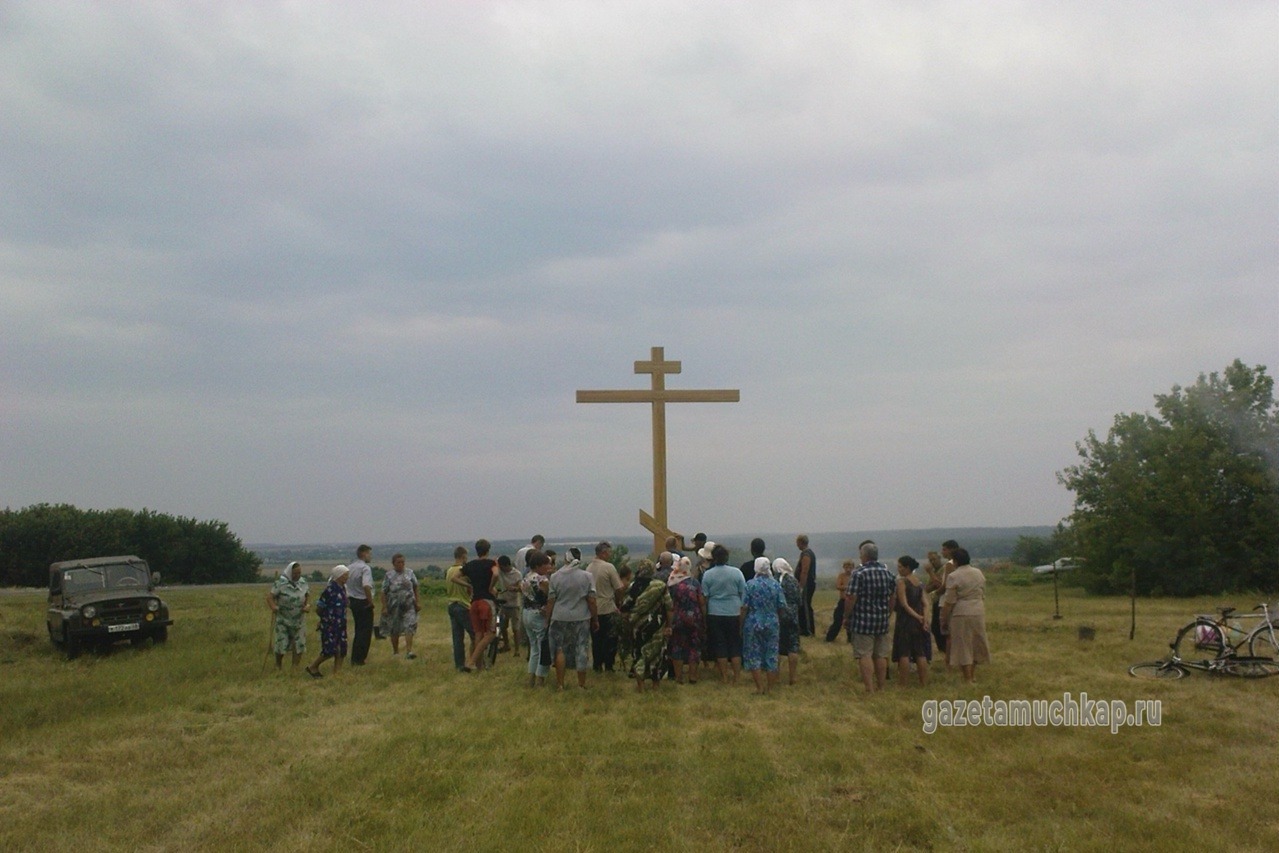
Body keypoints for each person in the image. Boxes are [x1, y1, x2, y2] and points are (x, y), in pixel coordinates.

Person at [846, 541, 896, 693]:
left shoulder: (859, 573)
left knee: (864, 654)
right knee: (881, 654)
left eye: (861, 554)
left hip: (863, 620)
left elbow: (851, 597)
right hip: (881, 620)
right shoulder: (887, 573)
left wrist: (846, 616)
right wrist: (888, 612)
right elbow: (893, 595)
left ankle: (869, 688)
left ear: (865, 556)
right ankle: (881, 686)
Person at [545, 548, 599, 690]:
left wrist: (547, 619)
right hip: (581, 617)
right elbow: (591, 600)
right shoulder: (587, 576)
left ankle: (560, 684)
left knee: (560, 649)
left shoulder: (555, 577)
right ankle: (581, 684)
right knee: (581, 648)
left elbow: (551, 600)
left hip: (560, 617)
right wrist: (595, 619)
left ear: (565, 559)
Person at [620, 559, 673, 693]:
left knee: (639, 653)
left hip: (638, 626)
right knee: (657, 655)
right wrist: (669, 625)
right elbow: (669, 607)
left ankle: (641, 686)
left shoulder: (633, 586)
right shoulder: (660, 586)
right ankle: (656, 686)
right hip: (657, 624)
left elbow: (625, 607)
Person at [940, 548, 990, 683]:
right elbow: (982, 591)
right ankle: (972, 675)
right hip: (978, 610)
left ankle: (967, 677)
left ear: (955, 561)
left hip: (961, 612)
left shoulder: (954, 576)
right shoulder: (978, 572)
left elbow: (949, 601)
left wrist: (943, 618)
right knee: (975, 643)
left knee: (963, 645)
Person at [701, 543, 746, 684]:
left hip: (715, 612)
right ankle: (737, 677)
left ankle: (724, 677)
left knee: (720, 645)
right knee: (734, 644)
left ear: (713, 558)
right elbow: (743, 593)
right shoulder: (737, 572)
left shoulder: (708, 575)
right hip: (733, 611)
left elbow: (705, 597)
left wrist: (704, 615)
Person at [742, 557, 785, 695]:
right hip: (772, 621)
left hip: (753, 621)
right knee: (771, 654)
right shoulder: (776, 585)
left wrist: (741, 623)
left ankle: (759, 687)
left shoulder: (750, 584)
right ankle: (770, 688)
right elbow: (782, 606)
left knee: (754, 654)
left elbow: (744, 606)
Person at [585, 541, 625, 673]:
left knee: (596, 639)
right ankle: (608, 664)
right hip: (607, 607)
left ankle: (597, 664)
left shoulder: (588, 568)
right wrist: (619, 602)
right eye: (609, 552)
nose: (610, 555)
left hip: (592, 609)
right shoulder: (609, 567)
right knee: (610, 638)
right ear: (603, 553)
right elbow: (619, 588)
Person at [892, 556, 930, 686]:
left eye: (900, 567)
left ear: (907, 568)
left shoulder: (902, 582)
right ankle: (923, 682)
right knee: (920, 652)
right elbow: (926, 603)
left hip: (906, 621)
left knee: (904, 653)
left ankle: (903, 683)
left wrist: (917, 616)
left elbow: (904, 604)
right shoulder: (919, 583)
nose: (899, 570)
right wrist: (924, 619)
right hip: (918, 621)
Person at [462, 539, 499, 671]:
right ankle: (471, 661)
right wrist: (491, 587)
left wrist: (469, 585)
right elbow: (496, 573)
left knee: (478, 633)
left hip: (474, 602)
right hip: (486, 601)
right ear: (488, 550)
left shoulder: (470, 565)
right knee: (490, 634)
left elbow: (454, 577)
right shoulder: (491, 563)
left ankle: (479, 666)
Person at [666, 556, 703, 684]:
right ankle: (693, 676)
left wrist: (668, 623)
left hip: (678, 618)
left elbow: (669, 604)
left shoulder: (672, 582)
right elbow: (701, 601)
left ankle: (678, 677)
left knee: (677, 646)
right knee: (694, 646)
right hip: (694, 618)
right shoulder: (695, 583)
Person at [307, 565, 349, 677]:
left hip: (341, 623)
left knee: (341, 648)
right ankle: (313, 666)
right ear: (338, 576)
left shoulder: (344, 589)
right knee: (329, 649)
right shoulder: (329, 590)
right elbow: (319, 608)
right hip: (330, 624)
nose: (347, 577)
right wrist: (324, 619)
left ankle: (337, 672)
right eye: (344, 575)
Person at [520, 550, 554, 687]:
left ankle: (531, 678)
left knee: (534, 648)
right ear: (539, 565)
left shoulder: (526, 578)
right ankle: (541, 679)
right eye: (547, 565)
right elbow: (549, 597)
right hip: (538, 615)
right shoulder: (542, 580)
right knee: (543, 648)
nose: (549, 567)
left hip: (527, 613)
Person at [267, 561, 309, 671]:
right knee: (281, 643)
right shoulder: (281, 583)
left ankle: (295, 667)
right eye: (295, 573)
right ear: (290, 572)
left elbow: (307, 595)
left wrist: (307, 606)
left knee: (299, 643)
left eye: (299, 573)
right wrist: (273, 607)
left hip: (299, 619)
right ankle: (278, 665)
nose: (297, 575)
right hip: (283, 619)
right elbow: (270, 597)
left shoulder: (303, 582)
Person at [380, 553, 420, 659]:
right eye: (399, 562)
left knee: (409, 626)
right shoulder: (388, 575)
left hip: (409, 604)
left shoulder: (410, 573)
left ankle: (409, 651)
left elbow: (415, 587)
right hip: (394, 605)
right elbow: (383, 591)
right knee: (394, 628)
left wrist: (417, 602)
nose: (401, 564)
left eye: (403, 562)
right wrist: (384, 607)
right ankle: (396, 651)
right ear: (394, 563)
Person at [926, 541, 959, 657]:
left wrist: (930, 574)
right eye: (930, 560)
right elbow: (929, 587)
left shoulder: (947, 566)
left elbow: (941, 585)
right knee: (937, 627)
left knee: (942, 628)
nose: (932, 562)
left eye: (944, 549)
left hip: (945, 600)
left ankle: (947, 651)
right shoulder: (945, 567)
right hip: (940, 600)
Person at [445, 546, 474, 673]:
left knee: (457, 638)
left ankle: (459, 665)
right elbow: (470, 588)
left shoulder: (449, 570)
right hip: (463, 604)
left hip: (451, 604)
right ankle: (474, 661)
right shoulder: (463, 571)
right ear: (463, 556)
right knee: (474, 634)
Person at [773, 557, 802, 685]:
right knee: (793, 646)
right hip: (792, 616)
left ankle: (776, 676)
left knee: (777, 647)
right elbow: (799, 600)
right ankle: (793, 677)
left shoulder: (773, 582)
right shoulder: (794, 581)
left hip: (778, 615)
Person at [345, 545, 375, 666]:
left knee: (358, 630)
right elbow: (366, 585)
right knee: (365, 631)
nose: (370, 556)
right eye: (369, 553)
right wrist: (370, 601)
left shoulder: (349, 567)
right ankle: (359, 659)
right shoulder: (365, 568)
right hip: (363, 601)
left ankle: (355, 657)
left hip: (352, 600)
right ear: (363, 554)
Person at [495, 554, 524, 656]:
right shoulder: (499, 572)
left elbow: (521, 588)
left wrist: (515, 589)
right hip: (503, 602)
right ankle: (506, 645)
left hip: (514, 603)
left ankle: (517, 650)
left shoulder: (517, 574)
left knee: (516, 628)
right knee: (503, 626)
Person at [825, 559, 855, 643]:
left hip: (851, 601)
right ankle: (830, 638)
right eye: (846, 567)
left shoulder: (854, 576)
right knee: (838, 619)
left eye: (850, 567)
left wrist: (845, 587)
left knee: (851, 621)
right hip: (843, 601)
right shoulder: (841, 576)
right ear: (844, 567)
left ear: (853, 568)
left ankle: (851, 639)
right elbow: (838, 586)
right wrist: (848, 587)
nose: (848, 569)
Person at [796, 535, 818, 636]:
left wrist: (801, 586)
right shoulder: (808, 553)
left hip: (807, 585)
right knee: (804, 606)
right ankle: (804, 628)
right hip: (808, 584)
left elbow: (805, 571)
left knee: (805, 606)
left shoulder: (806, 554)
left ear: (801, 542)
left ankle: (808, 630)